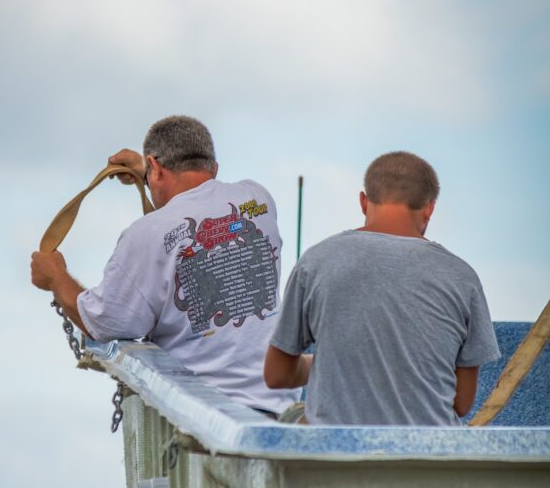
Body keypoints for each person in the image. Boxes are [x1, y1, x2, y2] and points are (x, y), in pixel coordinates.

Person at [32, 115, 298, 414]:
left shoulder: (146, 233)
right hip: (279, 409)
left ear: (155, 167)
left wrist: (55, 277)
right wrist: (148, 172)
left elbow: (103, 323)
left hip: (208, 422)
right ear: (214, 166)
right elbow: (203, 198)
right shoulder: (258, 199)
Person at [264, 150, 500, 425]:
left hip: (337, 456)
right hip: (429, 458)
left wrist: (327, 365)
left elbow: (276, 374)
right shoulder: (463, 277)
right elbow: (461, 403)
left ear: (363, 202)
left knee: (294, 418)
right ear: (429, 208)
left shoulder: (316, 262)